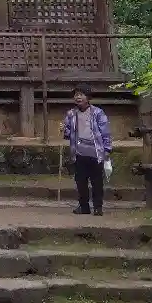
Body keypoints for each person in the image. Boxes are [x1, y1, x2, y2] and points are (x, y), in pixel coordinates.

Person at [62, 86, 113, 216]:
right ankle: (84, 206)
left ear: (88, 98)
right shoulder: (71, 114)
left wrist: (107, 149)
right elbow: (68, 135)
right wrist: (64, 129)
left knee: (97, 182)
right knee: (81, 181)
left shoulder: (98, 113)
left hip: (96, 153)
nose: (78, 97)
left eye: (81, 94)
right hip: (79, 153)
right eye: (76, 95)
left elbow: (105, 132)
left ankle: (98, 207)